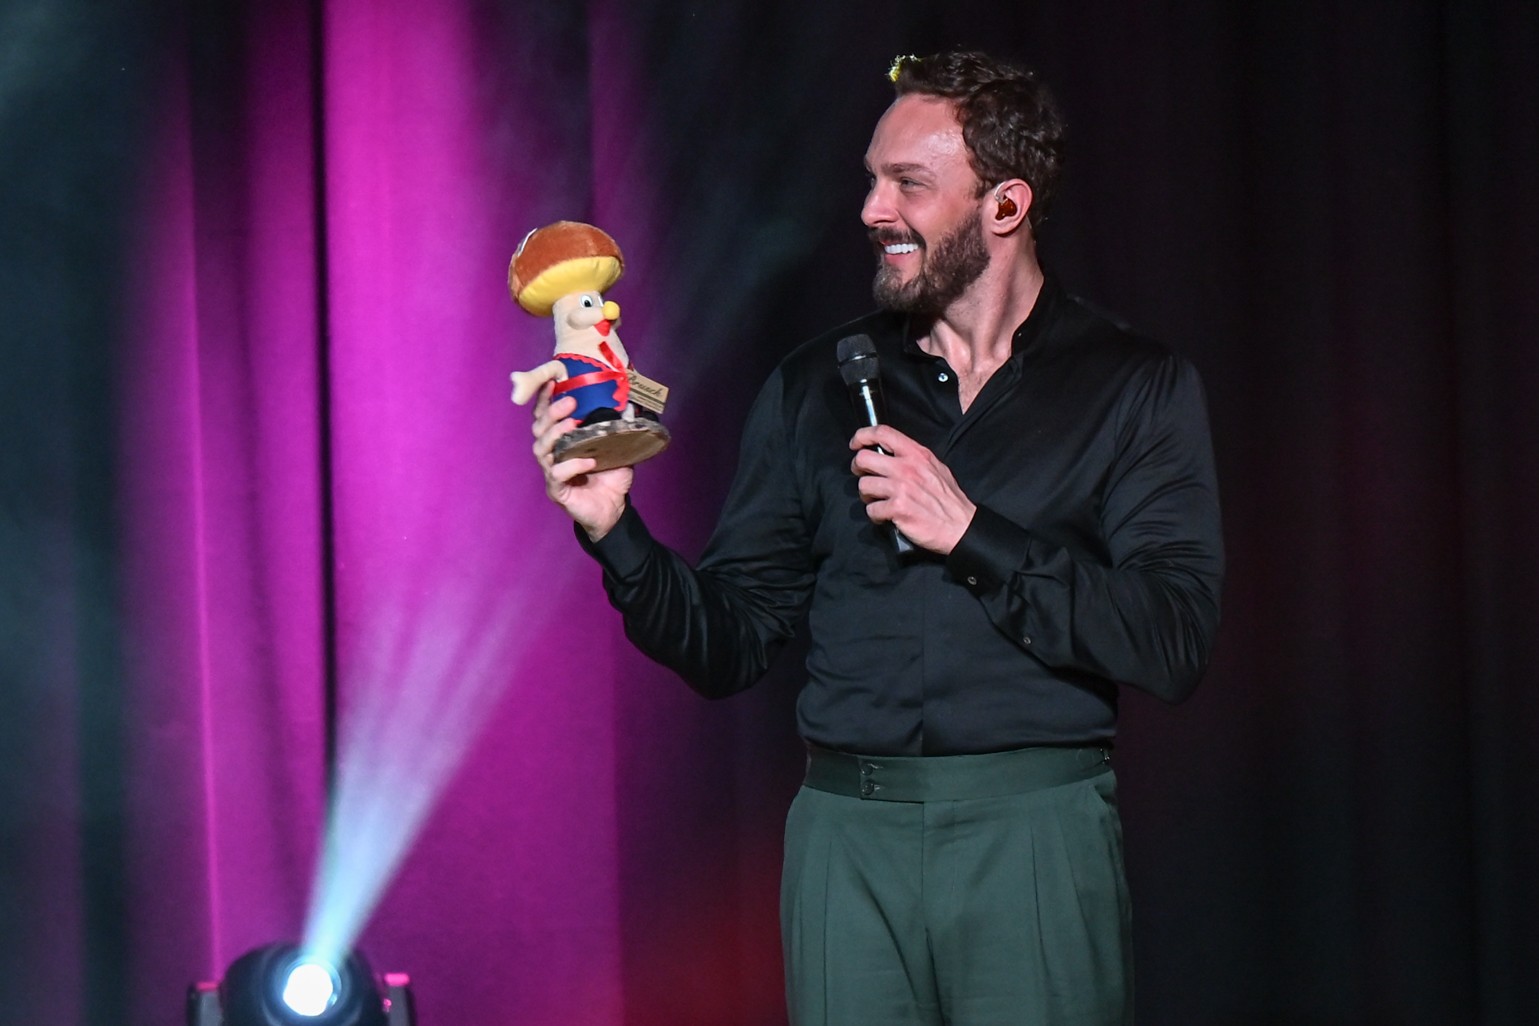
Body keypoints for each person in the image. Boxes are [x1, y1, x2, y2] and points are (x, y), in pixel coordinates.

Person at [527, 50, 1222, 1026]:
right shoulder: (813, 387)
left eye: (908, 183)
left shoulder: (1131, 385)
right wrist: (616, 532)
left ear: (1006, 206)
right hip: (847, 840)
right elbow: (728, 645)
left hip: (1033, 832)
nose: (870, 209)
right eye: (870, 179)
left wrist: (971, 531)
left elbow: (1170, 639)